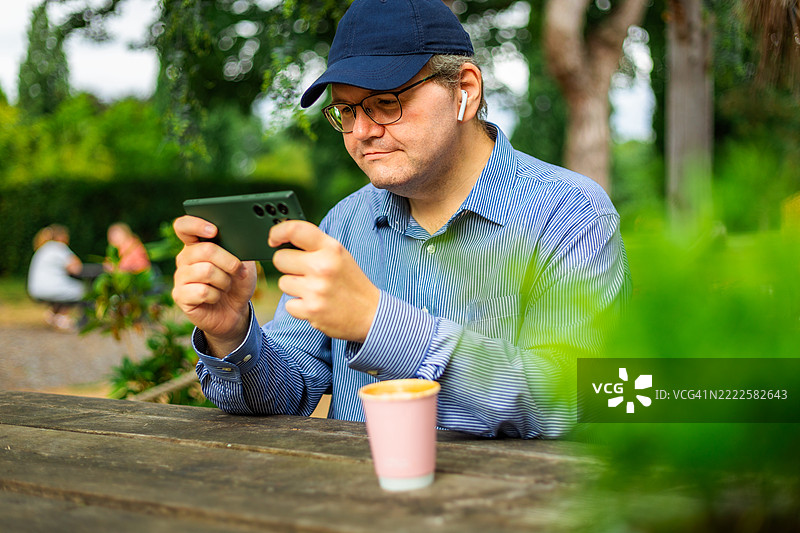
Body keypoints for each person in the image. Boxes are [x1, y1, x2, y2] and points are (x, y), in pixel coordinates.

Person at [172, 0, 631, 438]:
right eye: (347, 111)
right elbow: (285, 393)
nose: (363, 131)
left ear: (464, 92)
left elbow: (573, 401)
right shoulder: (345, 223)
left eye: (386, 102)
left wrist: (379, 324)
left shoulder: (571, 214)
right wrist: (231, 331)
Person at [27, 224, 87, 330]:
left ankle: (53, 314)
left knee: (65, 286)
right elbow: (76, 268)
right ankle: (63, 317)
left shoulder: (42, 248)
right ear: (61, 237)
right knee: (81, 289)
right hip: (52, 288)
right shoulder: (59, 247)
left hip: (35, 289)